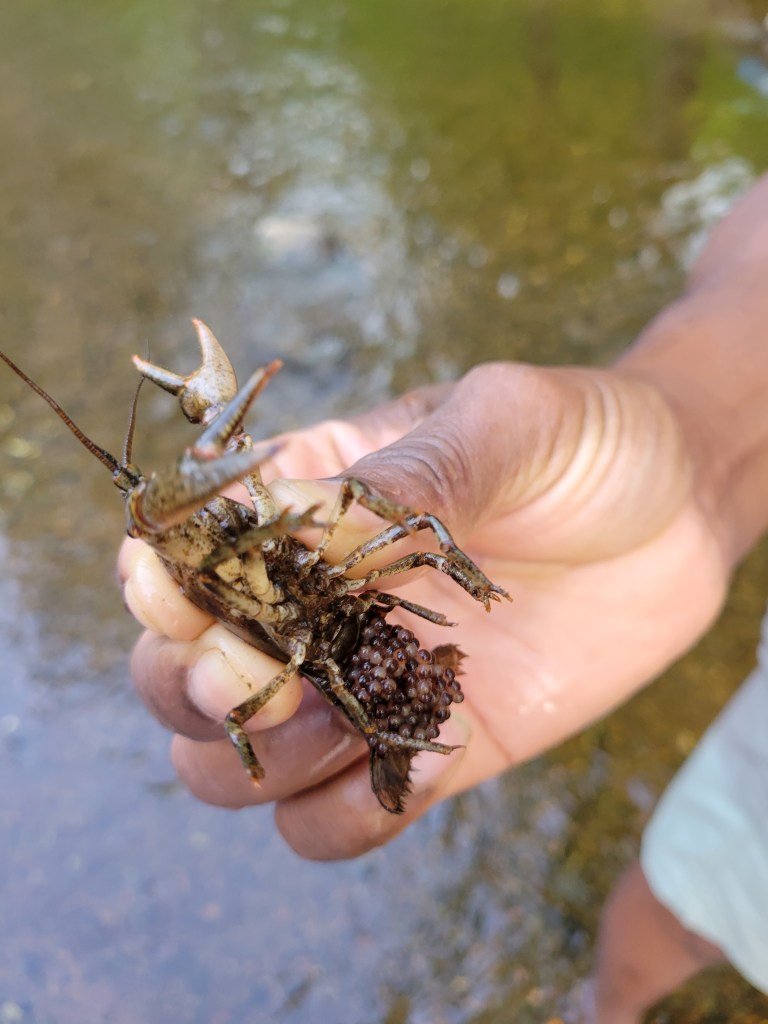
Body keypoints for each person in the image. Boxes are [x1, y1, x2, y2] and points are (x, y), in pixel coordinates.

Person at [119, 173, 768, 1021]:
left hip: (369, 650)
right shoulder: (224, 549)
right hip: (383, 662)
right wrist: (701, 447)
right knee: (678, 913)